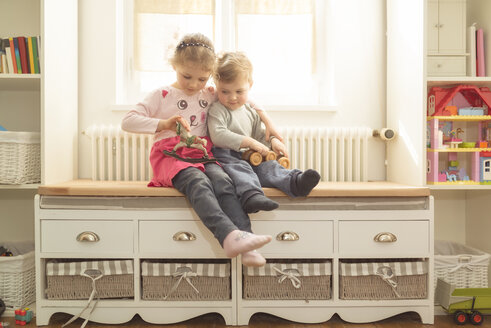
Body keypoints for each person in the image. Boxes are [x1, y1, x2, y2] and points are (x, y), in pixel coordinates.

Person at [121, 33, 276, 267]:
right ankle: (227, 235)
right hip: (171, 156)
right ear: (174, 65)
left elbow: (245, 98)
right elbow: (128, 121)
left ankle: (248, 244)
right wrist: (162, 124)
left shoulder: (210, 93)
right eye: (187, 76)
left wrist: (268, 122)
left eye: (202, 78)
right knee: (198, 182)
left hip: (202, 154)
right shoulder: (161, 95)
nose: (194, 84)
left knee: (223, 181)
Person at [208, 52, 321, 206]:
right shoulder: (217, 110)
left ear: (250, 85)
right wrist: (249, 142)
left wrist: (273, 141)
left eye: (239, 92)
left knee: (269, 166)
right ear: (216, 87)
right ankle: (251, 196)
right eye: (224, 91)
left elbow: (260, 136)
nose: (232, 97)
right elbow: (218, 135)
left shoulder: (250, 112)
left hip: (249, 156)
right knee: (240, 169)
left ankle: (296, 182)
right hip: (226, 156)